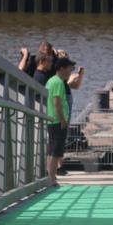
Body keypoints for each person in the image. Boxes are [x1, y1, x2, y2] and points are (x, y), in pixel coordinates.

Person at [46, 58, 76, 187]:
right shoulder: (58, 83)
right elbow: (57, 103)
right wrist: (63, 120)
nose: (71, 71)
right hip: (58, 120)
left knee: (52, 150)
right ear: (62, 68)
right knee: (56, 152)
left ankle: (50, 177)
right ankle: (52, 179)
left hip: (52, 119)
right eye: (70, 68)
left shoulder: (51, 80)